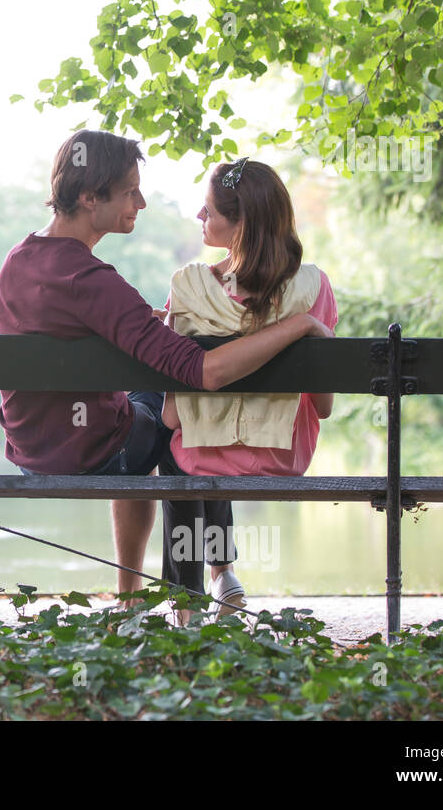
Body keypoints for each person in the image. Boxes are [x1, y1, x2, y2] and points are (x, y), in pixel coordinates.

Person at [0, 131, 334, 613]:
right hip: (96, 452)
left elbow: (62, 319)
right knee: (186, 426)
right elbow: (203, 372)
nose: (143, 201)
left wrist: (134, 326)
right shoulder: (96, 282)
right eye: (131, 190)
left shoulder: (19, 260)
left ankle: (150, 593)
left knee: (165, 412)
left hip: (30, 449)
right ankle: (203, 583)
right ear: (91, 198)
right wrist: (299, 324)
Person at [160, 157, 339, 623]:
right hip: (281, 456)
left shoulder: (188, 287)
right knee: (207, 437)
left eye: (209, 211)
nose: (200, 218)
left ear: (240, 226)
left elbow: (173, 418)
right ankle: (224, 574)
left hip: (200, 453)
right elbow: (323, 407)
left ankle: (188, 596)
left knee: (183, 442)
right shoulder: (315, 288)